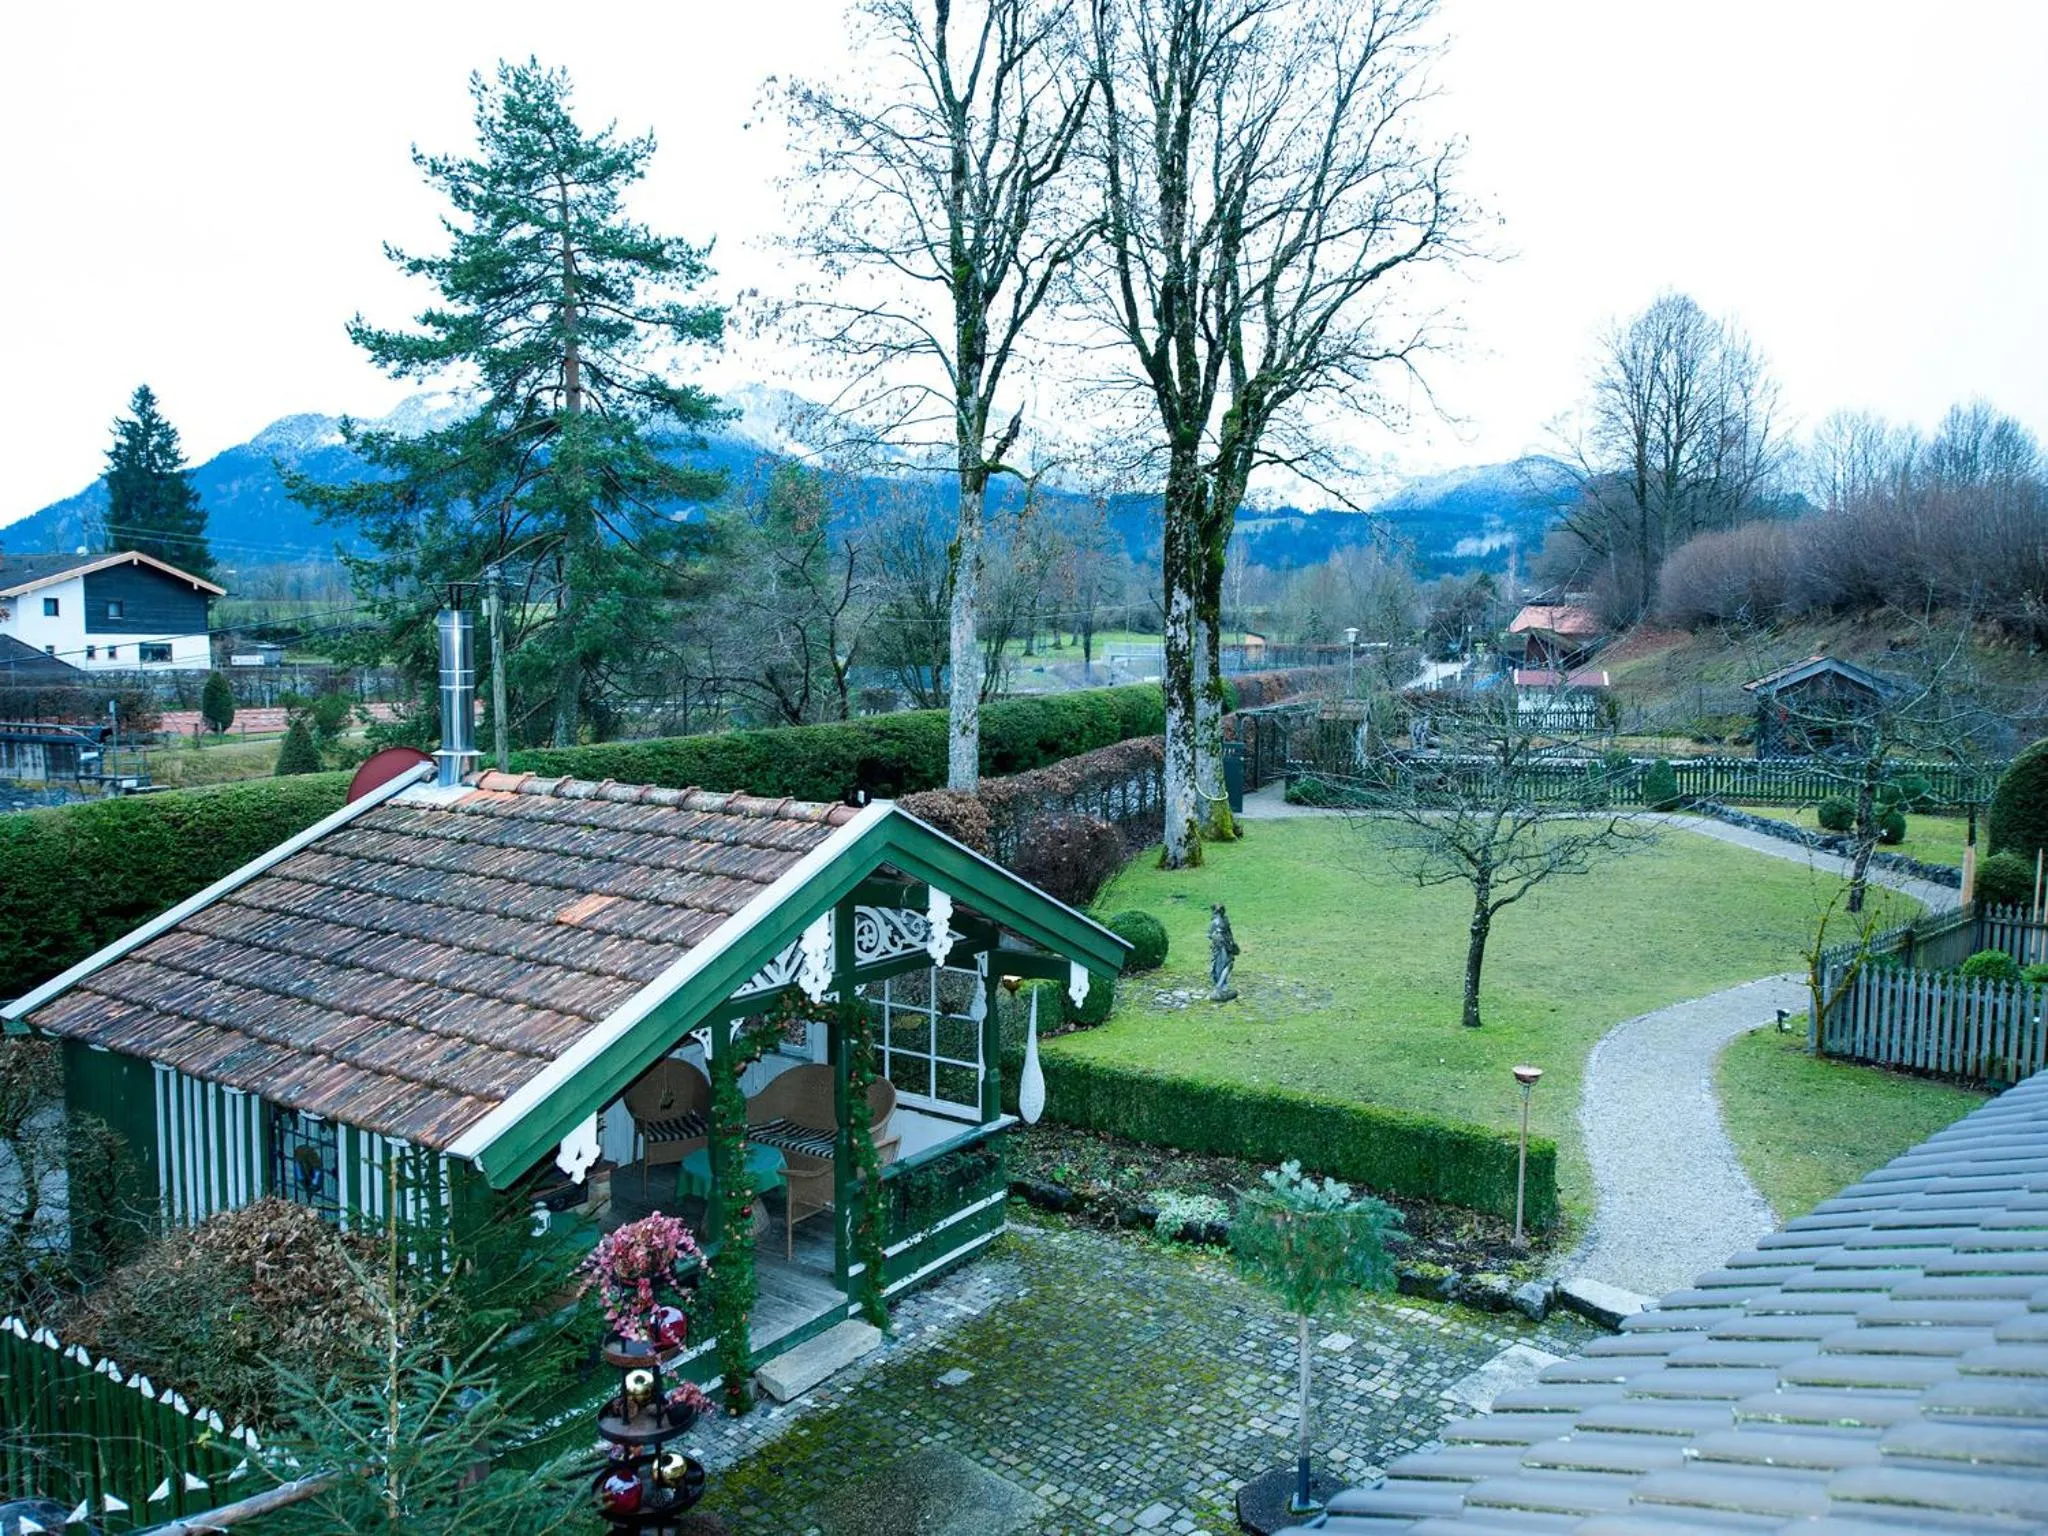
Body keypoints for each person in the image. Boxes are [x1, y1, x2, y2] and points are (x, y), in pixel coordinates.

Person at [1209, 903, 1241, 1002]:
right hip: (1224, 947)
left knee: (1220, 966)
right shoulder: (1224, 921)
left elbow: (1209, 934)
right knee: (1224, 966)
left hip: (1220, 948)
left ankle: (1220, 987)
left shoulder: (1215, 922)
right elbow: (1229, 935)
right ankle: (1221, 986)